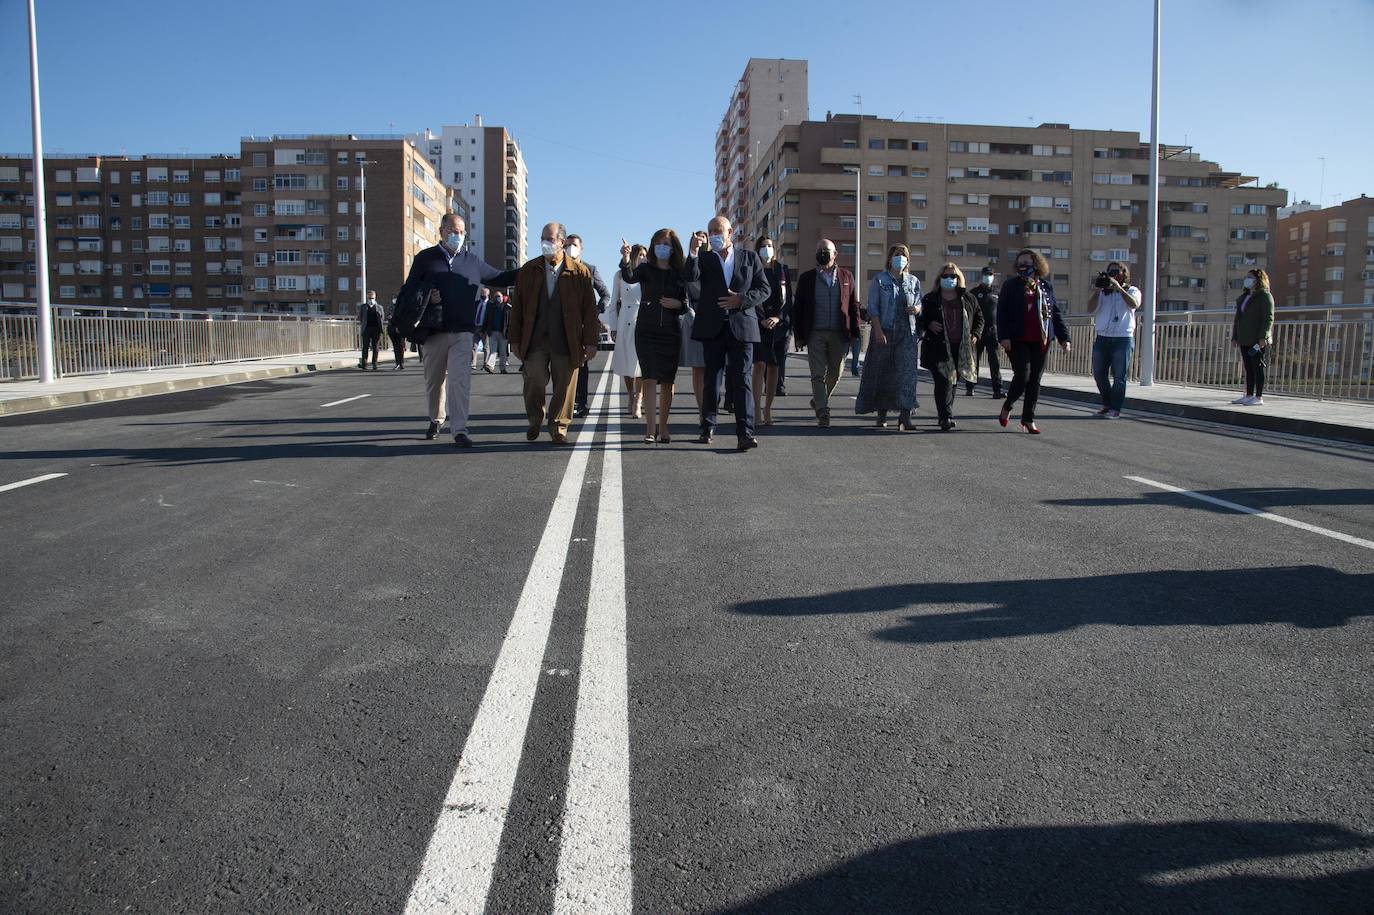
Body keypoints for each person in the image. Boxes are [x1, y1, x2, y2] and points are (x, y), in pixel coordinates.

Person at [399, 213, 518, 446]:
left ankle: (459, 430)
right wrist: (426, 296)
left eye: (462, 232)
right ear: (442, 231)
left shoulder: (472, 261)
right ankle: (436, 419)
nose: (458, 236)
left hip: (463, 333)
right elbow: (410, 289)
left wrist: (533, 268)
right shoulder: (426, 259)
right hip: (434, 331)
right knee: (434, 381)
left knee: (459, 381)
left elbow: (500, 276)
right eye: (453, 231)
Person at [683, 216, 771, 450]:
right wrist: (692, 253)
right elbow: (690, 277)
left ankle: (745, 432)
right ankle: (708, 425)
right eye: (711, 231)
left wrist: (741, 300)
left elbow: (764, 289)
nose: (714, 235)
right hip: (712, 327)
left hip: (742, 327)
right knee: (712, 379)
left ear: (730, 232)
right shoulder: (703, 258)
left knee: (742, 379)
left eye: (718, 230)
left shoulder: (749, 257)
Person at [508, 222, 600, 444]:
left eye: (550, 239)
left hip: (567, 339)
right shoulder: (529, 270)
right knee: (535, 378)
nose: (545, 243)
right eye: (542, 238)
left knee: (564, 384)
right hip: (535, 338)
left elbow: (589, 309)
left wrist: (590, 341)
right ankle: (535, 419)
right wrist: (515, 339)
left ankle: (559, 426)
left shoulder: (580, 272)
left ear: (562, 242)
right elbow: (517, 306)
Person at [620, 231, 689, 443]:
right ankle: (650, 430)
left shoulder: (680, 272)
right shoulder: (645, 268)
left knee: (668, 381)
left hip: (670, 332)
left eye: (666, 244)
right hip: (646, 331)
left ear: (673, 247)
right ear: (652, 246)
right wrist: (625, 258)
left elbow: (686, 303)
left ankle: (664, 427)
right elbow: (629, 277)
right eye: (658, 244)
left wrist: (678, 305)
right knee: (649, 378)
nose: (662, 247)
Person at [997, 248, 1071, 434]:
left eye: (1027, 264)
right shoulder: (1010, 286)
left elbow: (1056, 314)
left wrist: (1064, 338)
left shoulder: (1046, 287)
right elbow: (1001, 313)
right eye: (1020, 263)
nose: (1023, 267)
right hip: (1017, 339)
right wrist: (1004, 336)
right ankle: (1008, 405)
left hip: (1041, 339)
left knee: (1035, 380)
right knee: (1023, 375)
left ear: (1036, 266)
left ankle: (1028, 419)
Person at [793, 238, 862, 428]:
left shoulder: (846, 276)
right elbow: (798, 308)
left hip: (840, 333)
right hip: (815, 332)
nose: (822, 253)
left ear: (835, 254)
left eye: (826, 250)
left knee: (836, 372)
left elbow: (854, 306)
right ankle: (823, 411)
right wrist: (799, 335)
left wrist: (855, 332)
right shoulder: (807, 278)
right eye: (819, 250)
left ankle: (818, 399)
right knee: (817, 374)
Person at [856, 244, 922, 430]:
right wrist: (877, 330)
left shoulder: (913, 281)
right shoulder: (880, 280)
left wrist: (916, 309)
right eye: (896, 254)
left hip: (907, 334)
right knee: (883, 373)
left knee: (906, 375)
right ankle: (882, 414)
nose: (900, 258)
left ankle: (905, 415)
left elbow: (919, 303)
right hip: (885, 331)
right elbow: (873, 308)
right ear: (889, 258)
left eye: (903, 255)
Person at [920, 263, 983, 432]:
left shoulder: (968, 298)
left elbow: (979, 317)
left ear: (959, 278)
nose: (949, 279)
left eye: (953, 276)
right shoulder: (930, 298)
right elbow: (921, 319)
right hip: (938, 348)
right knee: (944, 381)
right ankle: (945, 416)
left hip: (961, 348)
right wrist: (929, 324)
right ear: (939, 279)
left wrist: (975, 334)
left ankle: (945, 414)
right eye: (946, 276)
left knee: (954, 382)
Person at [1086, 261, 1140, 417]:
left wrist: (1119, 288)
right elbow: (1090, 309)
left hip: (1122, 339)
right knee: (1099, 374)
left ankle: (1115, 408)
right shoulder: (1103, 293)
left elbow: (1134, 304)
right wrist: (1098, 290)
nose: (1113, 274)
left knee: (1119, 376)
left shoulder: (1132, 290)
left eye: (1116, 271)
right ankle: (1106, 404)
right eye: (1110, 272)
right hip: (1103, 338)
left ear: (1124, 274)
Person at [567, 234, 611, 419]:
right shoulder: (558, 269)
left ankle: (581, 403)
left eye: (574, 245)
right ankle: (565, 403)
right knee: (563, 365)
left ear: (581, 247)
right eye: (567, 245)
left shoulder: (590, 270)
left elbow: (605, 294)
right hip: (563, 323)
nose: (571, 248)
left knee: (581, 364)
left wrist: (594, 312)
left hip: (584, 324)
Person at [751, 235, 790, 427]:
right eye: (763, 246)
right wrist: (761, 320)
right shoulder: (752, 269)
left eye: (770, 246)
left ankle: (768, 410)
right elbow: (751, 297)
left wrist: (778, 318)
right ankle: (756, 410)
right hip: (758, 325)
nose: (767, 249)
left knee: (774, 367)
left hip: (778, 326)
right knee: (759, 366)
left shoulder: (781, 271)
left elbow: (787, 299)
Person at [608, 244, 646, 417]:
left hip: (643, 320)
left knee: (640, 363)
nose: (643, 258)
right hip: (625, 319)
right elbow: (614, 302)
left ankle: (639, 399)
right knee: (626, 363)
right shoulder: (620, 276)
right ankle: (630, 395)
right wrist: (614, 327)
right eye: (640, 255)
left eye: (645, 255)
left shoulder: (647, 274)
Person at [1231, 268, 1275, 406]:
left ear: (1258, 280)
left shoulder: (1265, 296)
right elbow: (1238, 319)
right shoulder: (1244, 297)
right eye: (1247, 277)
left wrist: (1263, 336)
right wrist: (1235, 336)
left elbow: (1268, 318)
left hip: (1257, 340)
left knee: (1258, 366)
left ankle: (1258, 396)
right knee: (1248, 367)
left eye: (1250, 277)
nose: (1247, 280)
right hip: (1245, 338)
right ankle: (1248, 394)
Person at [968, 267, 1002, 398]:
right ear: (981, 276)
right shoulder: (974, 293)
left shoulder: (997, 293)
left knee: (995, 362)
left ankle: (997, 390)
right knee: (974, 361)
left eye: (990, 274)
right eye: (986, 274)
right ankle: (970, 387)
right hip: (977, 332)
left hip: (993, 332)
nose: (988, 277)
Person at [481, 291, 512, 373]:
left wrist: (509, 331)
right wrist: (483, 329)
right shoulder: (491, 307)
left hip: (503, 332)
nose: (497, 298)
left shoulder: (507, 307)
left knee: (503, 351)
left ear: (502, 297)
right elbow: (486, 319)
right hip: (493, 332)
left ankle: (503, 368)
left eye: (499, 296)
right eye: (495, 297)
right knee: (493, 350)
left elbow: (510, 321)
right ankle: (490, 366)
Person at [358, 290, 385, 370]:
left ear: (375, 297)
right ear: (367, 297)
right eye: (369, 298)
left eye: (372, 298)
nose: (371, 299)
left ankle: (374, 363)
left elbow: (382, 318)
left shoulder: (379, 307)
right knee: (365, 347)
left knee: (375, 347)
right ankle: (364, 364)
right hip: (366, 329)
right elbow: (360, 317)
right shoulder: (363, 307)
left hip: (376, 329)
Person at [471, 287, 492, 369]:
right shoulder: (476, 303)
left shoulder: (490, 305)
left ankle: (485, 364)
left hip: (484, 328)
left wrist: (486, 329)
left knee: (486, 347)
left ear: (488, 294)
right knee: (474, 346)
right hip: (475, 327)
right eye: (481, 294)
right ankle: (473, 364)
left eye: (484, 294)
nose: (482, 295)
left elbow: (490, 318)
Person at [385, 295, 407, 370]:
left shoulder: (403, 307)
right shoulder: (390, 307)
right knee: (396, 346)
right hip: (392, 327)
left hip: (400, 328)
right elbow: (388, 316)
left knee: (401, 346)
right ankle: (397, 363)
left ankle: (401, 363)